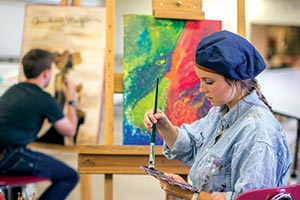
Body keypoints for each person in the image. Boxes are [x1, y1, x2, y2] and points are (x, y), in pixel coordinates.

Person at [143, 30, 291, 200]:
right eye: (200, 80)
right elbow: (192, 147)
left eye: (209, 82)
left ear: (236, 79)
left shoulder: (258, 131)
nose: (201, 89)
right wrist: (164, 126)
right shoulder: (221, 111)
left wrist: (191, 195)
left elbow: (250, 198)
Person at [0, 49, 79, 199]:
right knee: (70, 176)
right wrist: (71, 99)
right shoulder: (44, 99)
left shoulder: (12, 91)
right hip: (11, 157)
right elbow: (70, 131)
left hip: (5, 156)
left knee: (18, 184)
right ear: (45, 73)